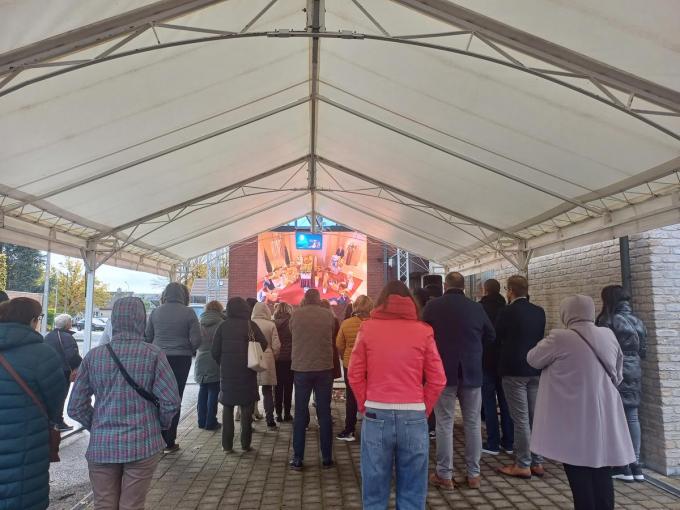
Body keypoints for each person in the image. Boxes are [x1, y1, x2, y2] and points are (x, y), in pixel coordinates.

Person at [68, 297, 180, 509]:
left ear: (113, 320)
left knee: (103, 503)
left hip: (102, 446)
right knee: (132, 505)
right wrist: (159, 425)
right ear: (142, 321)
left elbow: (74, 407)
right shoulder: (154, 354)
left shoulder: (94, 356)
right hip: (143, 442)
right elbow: (170, 401)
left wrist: (98, 426)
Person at [528, 295, 635, 510]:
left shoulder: (560, 337)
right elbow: (619, 372)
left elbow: (533, 358)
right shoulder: (608, 335)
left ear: (566, 313)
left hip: (574, 418)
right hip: (605, 414)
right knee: (602, 469)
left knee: (578, 470)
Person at [349, 281, 446, 509]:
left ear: (381, 302)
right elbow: (438, 379)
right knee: (413, 490)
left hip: (375, 412)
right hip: (413, 414)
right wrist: (423, 408)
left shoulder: (367, 328)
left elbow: (354, 374)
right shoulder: (423, 331)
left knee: (374, 489)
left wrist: (365, 405)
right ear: (411, 304)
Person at [423, 272, 494, 490]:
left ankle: (445, 474)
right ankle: (474, 475)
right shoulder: (476, 307)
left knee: (444, 423)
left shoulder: (433, 307)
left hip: (443, 371)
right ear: (464, 287)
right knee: (472, 423)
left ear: (445, 285)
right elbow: (490, 335)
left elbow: (422, 334)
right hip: (472, 371)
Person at [0, 298, 67, 510]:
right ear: (31, 320)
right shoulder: (42, 354)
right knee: (23, 497)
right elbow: (56, 401)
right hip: (25, 443)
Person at [495, 275, 546, 479]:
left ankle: (523, 464)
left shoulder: (506, 312)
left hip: (513, 369)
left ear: (510, 291)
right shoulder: (539, 312)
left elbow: (497, 337)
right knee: (536, 417)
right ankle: (538, 461)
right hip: (535, 368)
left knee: (521, 419)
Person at [596, 285, 647, 482]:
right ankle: (636, 465)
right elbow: (643, 350)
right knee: (632, 416)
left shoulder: (606, 321)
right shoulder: (637, 321)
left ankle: (620, 466)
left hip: (615, 371)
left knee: (614, 417)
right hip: (635, 370)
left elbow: (603, 350)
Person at [145, 282, 201, 453]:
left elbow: (148, 336)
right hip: (181, 360)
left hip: (157, 358)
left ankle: (156, 438)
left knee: (156, 398)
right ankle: (169, 440)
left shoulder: (155, 312)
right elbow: (197, 339)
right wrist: (189, 349)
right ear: (184, 295)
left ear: (165, 294)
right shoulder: (189, 313)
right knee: (175, 398)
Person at [212, 297, 268, 453]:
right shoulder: (251, 325)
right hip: (247, 372)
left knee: (228, 408)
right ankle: (245, 444)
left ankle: (227, 446)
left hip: (228, 373)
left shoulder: (223, 326)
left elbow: (214, 351)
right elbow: (263, 343)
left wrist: (223, 363)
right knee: (246, 408)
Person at [289, 289, 336, 471]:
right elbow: (332, 332)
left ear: (304, 300)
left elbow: (292, 332)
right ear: (318, 300)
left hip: (301, 368)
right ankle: (326, 458)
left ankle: (298, 458)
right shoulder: (327, 315)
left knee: (300, 414)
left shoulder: (296, 314)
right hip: (324, 367)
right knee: (324, 413)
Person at [479, 279, 513, 456]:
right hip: (504, 361)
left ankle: (492, 442)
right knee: (506, 402)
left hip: (485, 360)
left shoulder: (479, 308)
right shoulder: (507, 309)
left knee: (489, 402)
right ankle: (509, 441)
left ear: (485, 290)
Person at [335, 295, 374, 441]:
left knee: (351, 398)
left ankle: (349, 430)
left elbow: (339, 344)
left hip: (350, 364)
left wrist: (344, 356)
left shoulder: (346, 323)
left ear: (355, 306)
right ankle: (371, 429)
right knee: (370, 397)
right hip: (371, 365)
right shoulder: (375, 324)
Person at [44, 313, 82, 432]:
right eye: (70, 321)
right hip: (63, 371)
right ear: (67, 324)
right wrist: (80, 365)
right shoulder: (67, 337)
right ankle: (59, 422)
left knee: (51, 396)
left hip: (49, 371)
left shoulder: (48, 336)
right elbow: (72, 356)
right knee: (61, 397)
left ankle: (50, 421)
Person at [251, 302, 281, 429]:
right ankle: (270, 420)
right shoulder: (271, 324)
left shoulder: (249, 323)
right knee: (267, 391)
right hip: (267, 357)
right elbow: (277, 345)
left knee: (251, 390)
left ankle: (249, 419)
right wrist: (274, 356)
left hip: (251, 357)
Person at [195, 301, 224, 431]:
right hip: (215, 359)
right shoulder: (222, 323)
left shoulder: (198, 323)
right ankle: (211, 421)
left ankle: (201, 420)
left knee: (203, 389)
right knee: (213, 390)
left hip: (200, 358)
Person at [273, 302, 294, 422]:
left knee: (277, 388)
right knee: (288, 387)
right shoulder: (292, 323)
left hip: (277, 359)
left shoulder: (273, 323)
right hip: (290, 359)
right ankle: (287, 413)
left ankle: (278, 414)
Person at [320, 299, 343, 381]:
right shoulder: (334, 319)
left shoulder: (316, 321)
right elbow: (338, 337)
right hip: (332, 351)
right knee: (329, 380)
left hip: (319, 352)